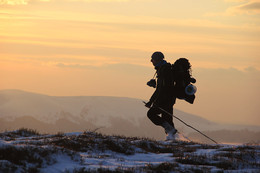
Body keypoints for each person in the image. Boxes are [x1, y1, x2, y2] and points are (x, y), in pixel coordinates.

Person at [145, 51, 177, 140]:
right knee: (167, 118)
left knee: (151, 114)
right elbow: (161, 88)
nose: (151, 61)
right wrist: (151, 101)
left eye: (153, 59)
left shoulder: (164, 70)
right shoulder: (164, 69)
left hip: (165, 99)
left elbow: (161, 89)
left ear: (157, 60)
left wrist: (153, 102)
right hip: (169, 99)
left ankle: (171, 133)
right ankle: (171, 137)